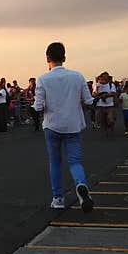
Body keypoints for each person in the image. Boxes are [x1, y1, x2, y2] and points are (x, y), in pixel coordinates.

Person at [33, 42, 94, 213]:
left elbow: (38, 107)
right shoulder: (78, 76)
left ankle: (58, 198)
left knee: (55, 162)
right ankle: (81, 184)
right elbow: (88, 101)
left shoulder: (43, 79)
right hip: (74, 125)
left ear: (47, 59)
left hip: (52, 126)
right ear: (64, 58)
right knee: (75, 162)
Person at [93, 72, 117, 136]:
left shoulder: (111, 85)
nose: (105, 78)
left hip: (110, 105)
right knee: (102, 120)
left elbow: (113, 93)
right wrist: (99, 94)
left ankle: (111, 127)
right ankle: (106, 132)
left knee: (110, 119)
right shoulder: (97, 85)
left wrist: (105, 95)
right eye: (103, 76)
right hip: (100, 105)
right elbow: (94, 94)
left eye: (106, 76)